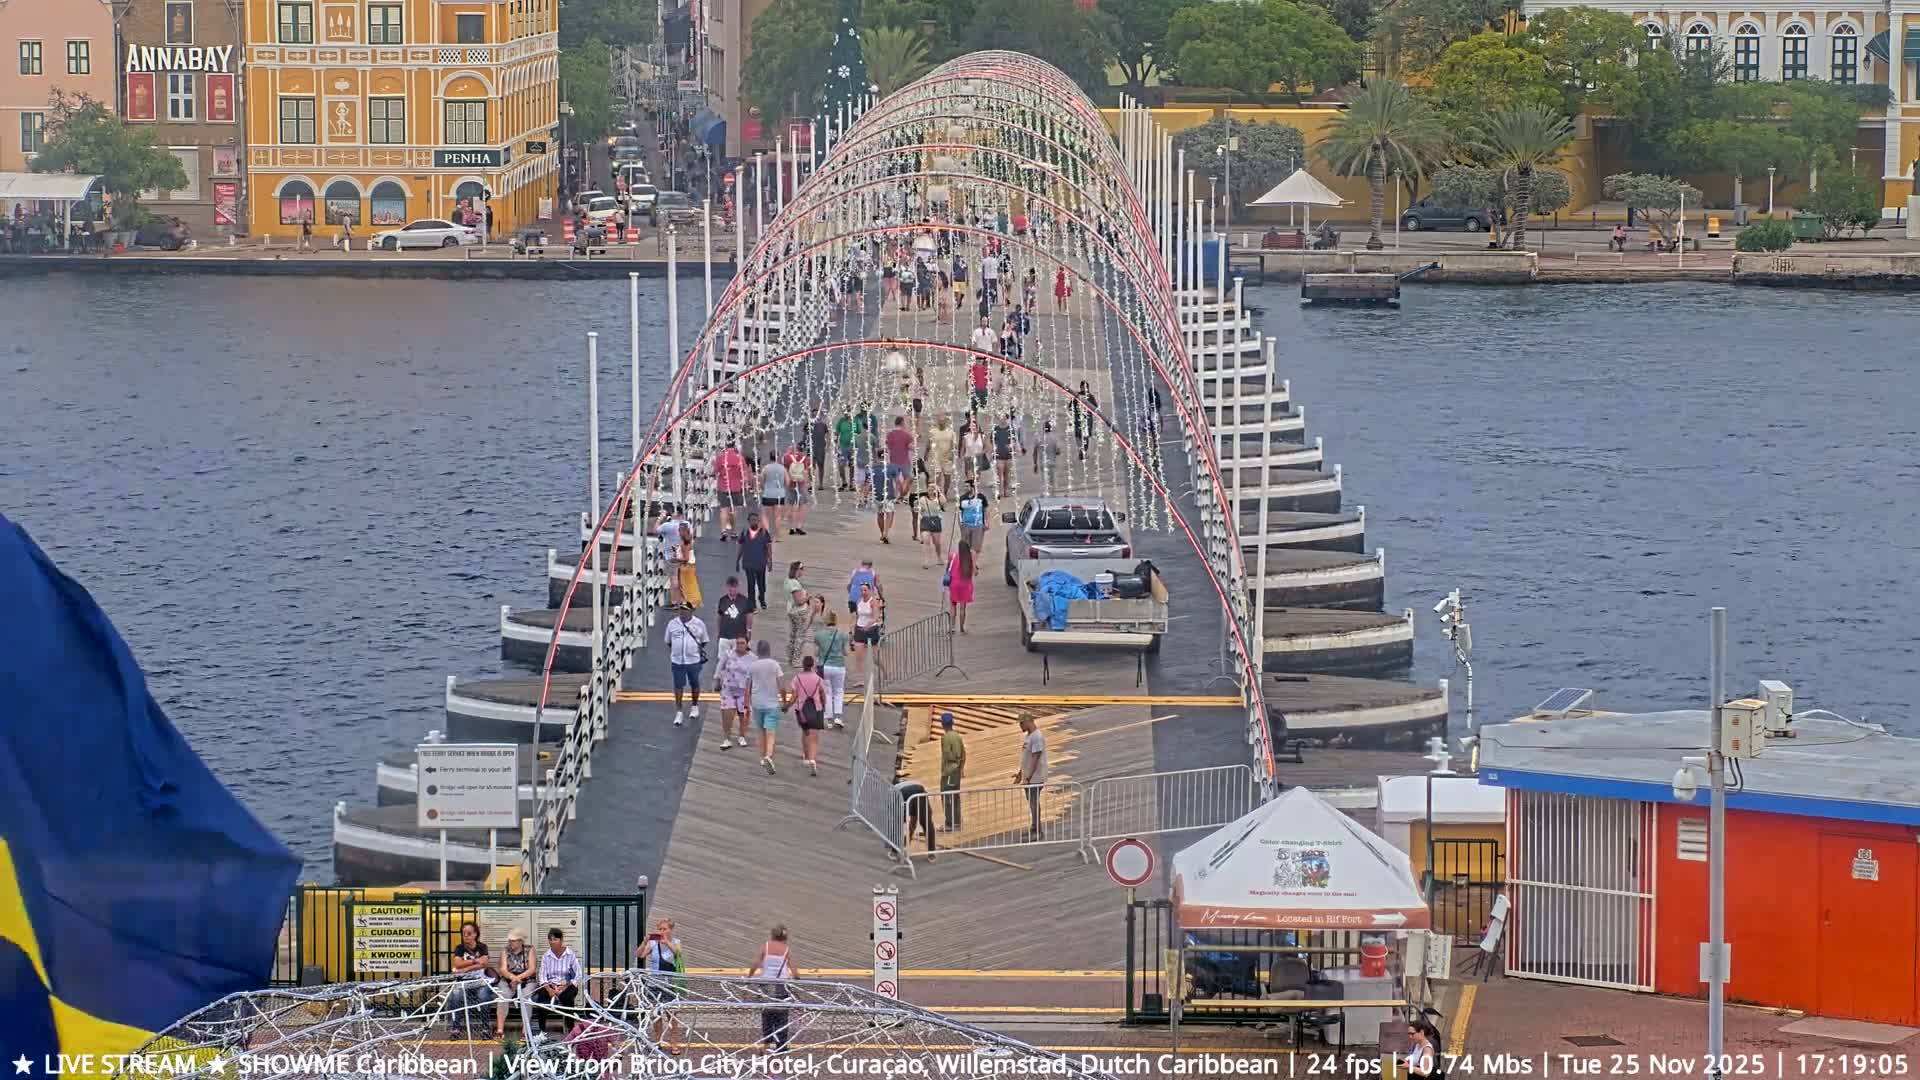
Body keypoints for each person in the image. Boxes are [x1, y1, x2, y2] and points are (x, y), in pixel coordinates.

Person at [636, 917, 685, 1055]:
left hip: (669, 985)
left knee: (672, 1017)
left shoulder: (676, 942)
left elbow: (678, 954)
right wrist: (645, 942)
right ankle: (658, 1042)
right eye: (660, 929)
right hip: (654, 984)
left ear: (671, 929)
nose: (662, 931)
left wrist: (667, 943)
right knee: (656, 1016)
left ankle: (674, 1044)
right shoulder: (653, 943)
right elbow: (640, 955)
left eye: (665, 929)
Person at [747, 926, 798, 1053]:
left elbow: (755, 963)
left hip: (766, 986)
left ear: (772, 935)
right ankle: (781, 1046)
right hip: (782, 986)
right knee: (782, 1016)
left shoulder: (766, 947)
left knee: (767, 1015)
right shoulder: (786, 950)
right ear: (785, 937)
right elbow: (795, 973)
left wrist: (750, 976)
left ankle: (766, 1044)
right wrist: (796, 980)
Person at [446, 921, 495, 1039]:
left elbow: (484, 963)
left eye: (469, 933)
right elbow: (457, 963)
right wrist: (474, 961)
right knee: (456, 996)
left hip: (480, 981)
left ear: (475, 934)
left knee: (484, 997)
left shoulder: (482, 947)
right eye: (464, 934)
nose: (466, 936)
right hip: (463, 982)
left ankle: (485, 1028)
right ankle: (456, 1028)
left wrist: (466, 967)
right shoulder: (460, 948)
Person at [664, 603, 709, 726]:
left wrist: (693, 650)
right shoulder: (672, 624)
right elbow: (668, 641)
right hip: (677, 661)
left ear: (691, 611)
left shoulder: (699, 624)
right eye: (681, 610)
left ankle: (695, 705)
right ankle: (679, 711)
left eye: (685, 610)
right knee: (678, 686)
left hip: (693, 661)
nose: (682, 613)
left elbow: (704, 641)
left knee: (694, 683)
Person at [745, 639, 785, 774]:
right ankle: (768, 755)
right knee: (771, 732)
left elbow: (747, 687)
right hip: (772, 703)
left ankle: (762, 757)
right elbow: (781, 685)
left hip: (757, 702)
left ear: (758, 651)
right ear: (769, 650)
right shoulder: (775, 665)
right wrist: (784, 700)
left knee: (760, 731)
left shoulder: (752, 666)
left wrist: (746, 702)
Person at [532, 927, 582, 1032]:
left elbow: (578, 974)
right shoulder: (547, 956)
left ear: (561, 940)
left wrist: (565, 986)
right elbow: (542, 975)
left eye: (555, 939)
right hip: (551, 984)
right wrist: (549, 989)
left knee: (568, 999)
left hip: (567, 985)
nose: (552, 942)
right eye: (550, 940)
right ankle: (542, 1031)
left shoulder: (570, 955)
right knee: (542, 1000)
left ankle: (571, 1029)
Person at [809, 603, 849, 729]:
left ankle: (828, 718)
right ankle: (838, 716)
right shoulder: (843, 635)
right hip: (839, 666)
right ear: (836, 621)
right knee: (839, 691)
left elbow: (816, 653)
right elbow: (845, 652)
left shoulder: (819, 635)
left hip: (824, 666)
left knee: (827, 692)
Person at [789, 655, 828, 775]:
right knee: (814, 736)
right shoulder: (818, 679)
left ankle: (806, 757)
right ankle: (812, 758)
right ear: (812, 665)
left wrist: (786, 706)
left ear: (803, 664)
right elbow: (822, 694)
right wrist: (824, 706)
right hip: (816, 708)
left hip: (802, 709)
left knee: (805, 733)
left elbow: (794, 696)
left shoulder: (797, 678)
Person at [1012, 711, 1047, 840]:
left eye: (1021, 723)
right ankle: (1034, 828)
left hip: (1035, 778)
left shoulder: (1037, 737)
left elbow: (1035, 758)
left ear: (1028, 721)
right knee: (1032, 803)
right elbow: (1026, 758)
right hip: (1029, 778)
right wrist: (1020, 774)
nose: (1020, 726)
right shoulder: (1029, 736)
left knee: (1034, 803)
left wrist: (1028, 777)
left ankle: (1037, 831)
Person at [714, 634, 754, 749]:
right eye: (738, 643)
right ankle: (727, 738)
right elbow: (719, 666)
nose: (739, 645)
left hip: (743, 690)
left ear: (747, 644)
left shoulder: (752, 658)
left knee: (744, 714)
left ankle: (742, 736)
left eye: (742, 643)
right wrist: (717, 680)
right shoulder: (728, 654)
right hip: (728, 688)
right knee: (727, 713)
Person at [494, 929, 536, 1037]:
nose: (510, 942)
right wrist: (513, 978)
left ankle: (525, 1031)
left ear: (520, 941)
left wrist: (518, 979)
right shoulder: (505, 950)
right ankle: (500, 1030)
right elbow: (503, 969)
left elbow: (532, 969)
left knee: (526, 996)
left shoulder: (529, 949)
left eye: (513, 940)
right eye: (510, 940)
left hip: (526, 980)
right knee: (503, 995)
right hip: (508, 979)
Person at [736, 514, 774, 612]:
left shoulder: (764, 533)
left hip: (761, 563)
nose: (754, 522)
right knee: (751, 585)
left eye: (756, 520)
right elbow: (740, 548)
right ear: (748, 521)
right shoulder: (744, 533)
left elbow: (769, 547)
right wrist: (737, 560)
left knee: (761, 585)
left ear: (759, 521)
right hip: (748, 564)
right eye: (752, 520)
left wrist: (770, 560)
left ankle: (762, 598)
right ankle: (752, 605)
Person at [712, 440, 749, 539]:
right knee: (733, 510)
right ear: (734, 446)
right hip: (736, 487)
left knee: (724, 509)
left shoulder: (720, 458)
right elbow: (744, 473)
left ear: (725, 446)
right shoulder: (739, 458)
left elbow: (715, 472)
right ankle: (733, 531)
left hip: (723, 486)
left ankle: (723, 531)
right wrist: (745, 485)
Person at [850, 580, 882, 683]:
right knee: (858, 656)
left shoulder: (873, 602)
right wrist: (853, 629)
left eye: (865, 590)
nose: (863, 592)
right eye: (861, 590)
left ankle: (883, 672)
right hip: (860, 629)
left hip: (871, 630)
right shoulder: (859, 601)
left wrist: (868, 625)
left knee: (874, 657)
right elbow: (857, 616)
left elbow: (876, 617)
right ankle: (861, 680)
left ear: (869, 590)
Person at [938, 712, 966, 830]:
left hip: (949, 771)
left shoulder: (946, 738)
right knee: (955, 796)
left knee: (947, 796)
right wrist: (961, 768)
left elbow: (948, 754)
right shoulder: (958, 736)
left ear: (943, 724)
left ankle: (950, 823)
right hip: (957, 770)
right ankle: (957, 822)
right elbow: (964, 754)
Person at [945, 540, 977, 633]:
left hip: (954, 584)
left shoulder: (952, 555)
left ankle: (952, 627)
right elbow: (975, 572)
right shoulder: (970, 557)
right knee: (963, 608)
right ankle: (962, 628)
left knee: (953, 606)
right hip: (965, 585)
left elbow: (948, 570)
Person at [898, 777, 934, 857]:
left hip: (911, 792)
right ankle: (931, 852)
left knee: (898, 821)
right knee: (926, 822)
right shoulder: (907, 784)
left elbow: (900, 820)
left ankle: (896, 848)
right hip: (919, 790)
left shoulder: (894, 792)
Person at [783, 561, 809, 667]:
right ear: (797, 570)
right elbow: (799, 601)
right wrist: (807, 597)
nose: (803, 571)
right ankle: (796, 659)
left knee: (793, 634)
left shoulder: (787, 581)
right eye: (802, 568)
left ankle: (790, 657)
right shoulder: (794, 584)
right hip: (798, 612)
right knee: (800, 635)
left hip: (790, 610)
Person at [884, 415, 915, 505]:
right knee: (908, 478)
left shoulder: (890, 434)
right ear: (902, 423)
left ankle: (899, 496)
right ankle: (901, 496)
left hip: (893, 460)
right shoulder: (906, 435)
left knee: (897, 480)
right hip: (904, 461)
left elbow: (887, 447)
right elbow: (910, 447)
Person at [758, 449, 788, 538]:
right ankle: (777, 535)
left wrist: (764, 488)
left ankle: (767, 532)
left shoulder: (766, 468)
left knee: (764, 515)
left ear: (770, 457)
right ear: (778, 457)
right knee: (778, 517)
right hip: (779, 495)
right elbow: (788, 482)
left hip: (768, 494)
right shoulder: (783, 468)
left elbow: (761, 481)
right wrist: (782, 488)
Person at [784, 443, 812, 536]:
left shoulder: (787, 457)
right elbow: (806, 472)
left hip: (790, 484)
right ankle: (799, 526)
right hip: (801, 484)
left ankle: (791, 527)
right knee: (802, 505)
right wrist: (808, 483)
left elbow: (785, 470)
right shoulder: (805, 458)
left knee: (790, 505)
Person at [927, 414, 957, 498]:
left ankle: (945, 492)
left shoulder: (951, 432)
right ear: (937, 422)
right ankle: (938, 494)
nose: (941, 423)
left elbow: (954, 445)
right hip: (936, 458)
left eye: (943, 421)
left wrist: (952, 454)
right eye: (939, 421)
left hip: (947, 458)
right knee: (937, 477)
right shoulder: (933, 432)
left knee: (947, 478)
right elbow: (928, 443)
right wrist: (926, 453)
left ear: (946, 422)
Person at [716, 575, 752, 645]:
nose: (732, 589)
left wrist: (749, 631)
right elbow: (719, 617)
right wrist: (718, 632)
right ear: (727, 587)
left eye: (734, 587)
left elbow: (749, 616)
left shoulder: (744, 600)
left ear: (738, 587)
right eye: (730, 587)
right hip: (724, 637)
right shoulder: (722, 600)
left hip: (740, 637)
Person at [674, 522, 702, 609]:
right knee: (691, 584)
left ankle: (688, 602)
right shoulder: (688, 541)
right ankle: (692, 602)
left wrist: (675, 559)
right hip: (690, 567)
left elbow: (686, 558)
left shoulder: (684, 544)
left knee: (685, 585)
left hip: (686, 566)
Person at [918, 482, 945, 569]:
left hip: (936, 520)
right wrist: (919, 509)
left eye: (932, 489)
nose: (930, 491)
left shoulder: (938, 499)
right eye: (929, 489)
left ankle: (939, 557)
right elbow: (920, 508)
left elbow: (944, 503)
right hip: (925, 520)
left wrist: (939, 491)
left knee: (937, 542)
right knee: (926, 540)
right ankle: (927, 560)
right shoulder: (922, 499)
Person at [956, 481, 988, 555]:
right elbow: (960, 512)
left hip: (978, 525)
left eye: (967, 486)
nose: (965, 488)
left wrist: (986, 522)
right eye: (965, 486)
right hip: (966, 525)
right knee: (966, 546)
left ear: (972, 487)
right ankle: (969, 562)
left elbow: (985, 510)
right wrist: (960, 525)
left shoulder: (981, 497)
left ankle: (973, 563)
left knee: (976, 547)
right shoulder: (962, 498)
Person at [1070, 381, 1098, 460]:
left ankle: (1083, 451)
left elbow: (1095, 408)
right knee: (1080, 436)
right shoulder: (1077, 396)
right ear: (1081, 387)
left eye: (1086, 387)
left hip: (1085, 421)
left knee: (1084, 436)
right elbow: (1070, 407)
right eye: (1083, 387)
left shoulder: (1089, 397)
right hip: (1080, 420)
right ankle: (1082, 451)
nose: (1084, 389)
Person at [1031, 420, 1061, 494]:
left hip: (1043, 463)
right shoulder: (1054, 438)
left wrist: (1035, 464)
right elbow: (1058, 451)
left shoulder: (1039, 438)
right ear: (1050, 428)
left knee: (1044, 481)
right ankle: (1052, 496)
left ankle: (1045, 495)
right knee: (1052, 482)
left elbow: (1034, 453)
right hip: (1052, 462)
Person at [833, 411, 857, 491]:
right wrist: (835, 441)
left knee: (852, 465)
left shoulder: (854, 421)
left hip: (852, 447)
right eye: (845, 412)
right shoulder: (841, 421)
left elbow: (858, 433)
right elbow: (837, 432)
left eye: (848, 412)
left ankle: (851, 484)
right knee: (841, 465)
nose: (847, 414)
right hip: (842, 447)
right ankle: (844, 482)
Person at [990, 414, 1015, 492]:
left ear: (1007, 419)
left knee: (1007, 474)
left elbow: (1013, 440)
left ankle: (1006, 490)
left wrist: (1011, 445)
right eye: (1001, 419)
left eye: (1004, 419)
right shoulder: (995, 429)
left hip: (1008, 455)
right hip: (999, 455)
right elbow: (992, 440)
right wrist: (994, 449)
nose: (1003, 420)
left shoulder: (1010, 429)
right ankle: (1000, 490)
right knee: (1000, 474)